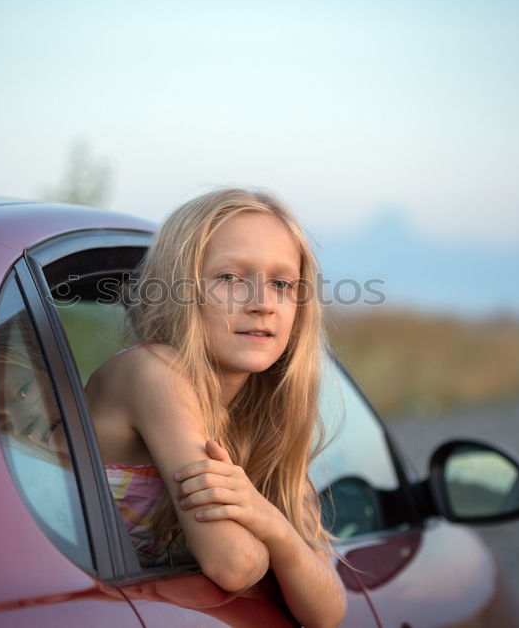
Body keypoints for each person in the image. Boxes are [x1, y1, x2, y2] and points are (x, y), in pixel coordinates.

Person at [85, 188, 347, 627]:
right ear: (178, 291)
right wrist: (273, 537)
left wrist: (274, 526)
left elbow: (329, 612)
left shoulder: (263, 421)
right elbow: (235, 564)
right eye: (229, 278)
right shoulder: (151, 372)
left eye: (282, 284)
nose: (262, 303)